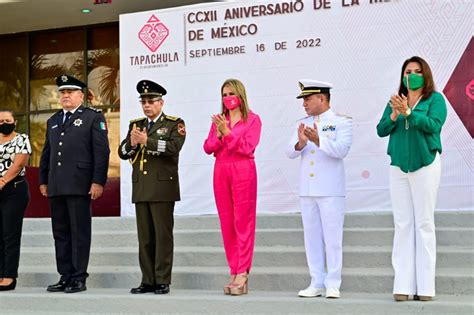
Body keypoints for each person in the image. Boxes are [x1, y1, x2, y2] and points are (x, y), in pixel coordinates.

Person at [376, 56, 447, 302]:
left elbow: (433, 125)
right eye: (408, 71)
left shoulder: (435, 100)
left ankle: (426, 287)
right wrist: (396, 113)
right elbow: (381, 129)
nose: (412, 75)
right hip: (398, 168)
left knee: (424, 224)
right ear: (403, 76)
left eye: (417, 71)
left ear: (425, 75)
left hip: (425, 165)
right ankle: (403, 285)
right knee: (403, 224)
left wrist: (410, 114)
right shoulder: (395, 99)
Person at [39, 74, 110, 293]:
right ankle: (65, 275)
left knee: (79, 232)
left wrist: (98, 181)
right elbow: (47, 153)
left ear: (81, 95)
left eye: (70, 92)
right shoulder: (53, 120)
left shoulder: (92, 117)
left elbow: (102, 152)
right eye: (62, 92)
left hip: (80, 184)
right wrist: (43, 179)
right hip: (57, 184)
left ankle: (79, 277)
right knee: (60, 232)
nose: (65, 95)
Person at [286, 80, 352, 299]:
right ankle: (316, 281)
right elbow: (290, 151)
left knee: (332, 239)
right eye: (303, 99)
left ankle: (333, 283)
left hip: (330, 189)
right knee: (311, 238)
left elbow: (342, 150)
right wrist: (302, 143)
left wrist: (319, 140)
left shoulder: (341, 122)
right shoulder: (302, 123)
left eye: (308, 99)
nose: (304, 104)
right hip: (308, 189)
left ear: (322, 98)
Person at [118, 80, 186, 295]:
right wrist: (133, 143)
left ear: (161, 102)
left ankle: (162, 280)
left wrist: (148, 141)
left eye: (151, 101)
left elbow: (174, 148)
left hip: (163, 188)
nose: (147, 105)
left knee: (162, 237)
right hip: (142, 188)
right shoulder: (136, 124)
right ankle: (147, 280)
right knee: (145, 238)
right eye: (143, 101)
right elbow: (122, 152)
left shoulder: (174, 123)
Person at [203, 78, 262, 296]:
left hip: (243, 171)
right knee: (227, 222)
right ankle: (233, 270)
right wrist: (219, 135)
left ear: (240, 95)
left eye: (231, 94)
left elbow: (247, 148)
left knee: (243, 222)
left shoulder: (253, 120)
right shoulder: (219, 120)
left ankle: (243, 273)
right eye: (224, 95)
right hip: (221, 170)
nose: (228, 98)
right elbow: (208, 147)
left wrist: (228, 133)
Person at [0, 110, 31, 291]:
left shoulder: (22, 139)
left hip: (14, 190)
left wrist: (3, 181)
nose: (4, 123)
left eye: (7, 120)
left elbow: (19, 163)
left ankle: (9, 276)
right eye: (1, 120)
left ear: (14, 122)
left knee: (10, 235)